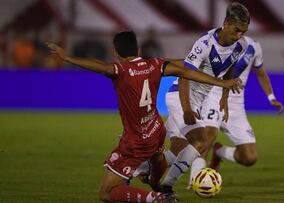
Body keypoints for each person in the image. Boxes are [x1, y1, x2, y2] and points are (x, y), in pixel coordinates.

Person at [47, 31, 241, 203]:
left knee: (106, 193)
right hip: (156, 130)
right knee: (158, 161)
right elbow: (187, 70)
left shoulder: (120, 70)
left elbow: (102, 67)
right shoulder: (154, 65)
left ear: (116, 53)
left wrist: (68, 58)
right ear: (138, 49)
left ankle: (155, 197)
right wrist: (222, 82)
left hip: (136, 141)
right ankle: (156, 184)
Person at [155, 2, 284, 191]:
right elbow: (184, 73)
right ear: (226, 23)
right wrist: (187, 108)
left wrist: (225, 99)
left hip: (208, 101)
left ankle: (142, 171)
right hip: (183, 97)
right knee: (201, 140)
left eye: (244, 31)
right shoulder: (204, 44)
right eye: (237, 30)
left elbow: (230, 69)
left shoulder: (241, 46)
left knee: (180, 150)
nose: (240, 35)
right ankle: (174, 185)